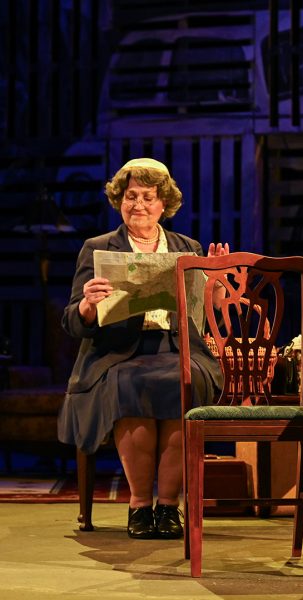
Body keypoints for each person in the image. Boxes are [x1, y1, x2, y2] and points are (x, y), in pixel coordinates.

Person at [59, 158, 226, 540]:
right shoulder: (98, 248)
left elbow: (205, 311)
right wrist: (87, 306)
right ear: (119, 200)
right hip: (117, 352)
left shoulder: (188, 248)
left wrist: (215, 283)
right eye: (131, 196)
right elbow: (71, 320)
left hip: (179, 348)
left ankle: (168, 507)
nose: (139, 204)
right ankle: (139, 506)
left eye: (148, 197)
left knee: (182, 381)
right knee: (128, 382)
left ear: (163, 203)